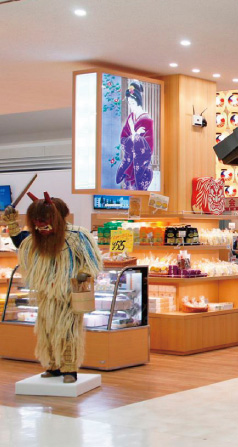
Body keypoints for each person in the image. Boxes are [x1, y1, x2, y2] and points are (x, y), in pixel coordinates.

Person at [1, 193, 102, 383]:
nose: (40, 225)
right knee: (47, 330)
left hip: (67, 295)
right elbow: (21, 242)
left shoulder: (77, 236)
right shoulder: (37, 238)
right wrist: (12, 222)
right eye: (36, 221)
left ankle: (69, 369)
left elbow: (92, 261)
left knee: (68, 331)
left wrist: (84, 273)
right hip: (46, 294)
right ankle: (53, 366)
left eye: (44, 220)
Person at [116, 81, 155, 190]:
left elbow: (148, 147)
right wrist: (134, 135)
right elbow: (123, 138)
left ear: (138, 101)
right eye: (129, 103)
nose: (131, 106)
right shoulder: (130, 118)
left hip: (140, 163)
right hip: (130, 161)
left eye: (133, 103)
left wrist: (135, 137)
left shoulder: (146, 120)